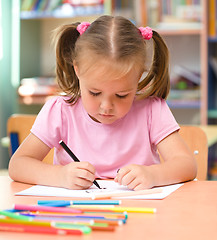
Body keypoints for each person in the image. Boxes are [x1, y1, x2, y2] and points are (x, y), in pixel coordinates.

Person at [8, 15, 197, 190]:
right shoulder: (60, 111)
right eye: (95, 92)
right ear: (77, 70)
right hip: (76, 216)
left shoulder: (152, 110)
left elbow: (186, 165)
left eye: (122, 95)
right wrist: (59, 175)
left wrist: (153, 175)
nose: (106, 106)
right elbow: (18, 164)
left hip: (140, 215)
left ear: (139, 76)